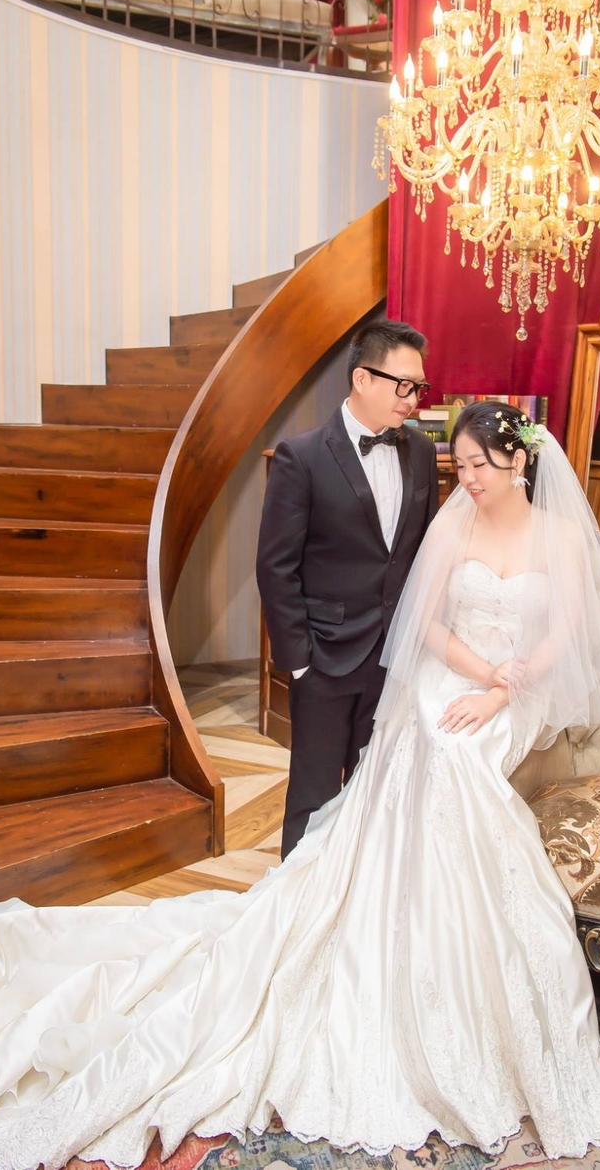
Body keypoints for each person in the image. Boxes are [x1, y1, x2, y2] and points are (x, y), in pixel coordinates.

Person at [0, 402, 600, 1170]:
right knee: (438, 740)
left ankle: (476, 960)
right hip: (452, 675)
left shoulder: (563, 537)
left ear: (519, 462)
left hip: (514, 693)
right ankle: (404, 909)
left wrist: (502, 690)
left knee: (462, 754)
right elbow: (426, 625)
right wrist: (477, 674)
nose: (466, 479)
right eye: (459, 465)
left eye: (480, 466)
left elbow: (567, 628)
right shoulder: (455, 524)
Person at [256, 319, 438, 858]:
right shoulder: (302, 455)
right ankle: (298, 898)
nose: (413, 398)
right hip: (325, 658)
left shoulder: (422, 452)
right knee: (313, 794)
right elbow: (276, 567)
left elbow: (423, 552)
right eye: (403, 385)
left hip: (394, 657)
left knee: (377, 793)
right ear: (362, 378)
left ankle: (359, 894)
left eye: (419, 387)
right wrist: (299, 661)